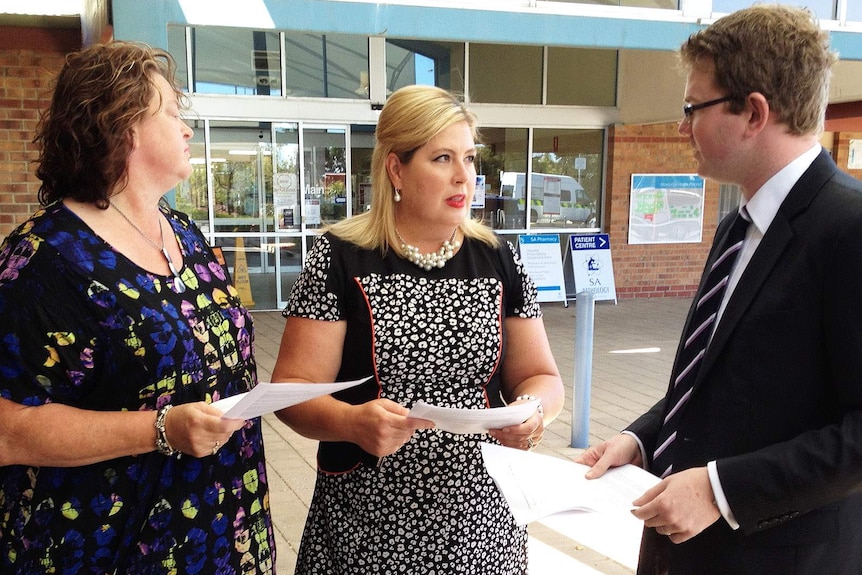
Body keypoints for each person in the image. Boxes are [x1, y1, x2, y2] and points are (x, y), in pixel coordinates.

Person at [576, 5, 862, 575]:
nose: (681, 126)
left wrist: (718, 490)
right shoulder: (737, 226)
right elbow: (713, 384)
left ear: (753, 112)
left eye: (692, 107)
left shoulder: (848, 230)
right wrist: (640, 440)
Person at [0, 42, 275, 573]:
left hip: (220, 535)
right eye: (173, 113)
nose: (188, 128)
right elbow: (8, 428)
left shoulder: (186, 234)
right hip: (104, 547)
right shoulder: (45, 258)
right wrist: (160, 429)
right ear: (121, 124)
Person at [272, 84, 564, 573]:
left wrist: (533, 412)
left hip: (483, 520)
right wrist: (352, 423)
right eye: (442, 158)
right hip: (369, 520)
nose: (463, 177)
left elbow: (541, 377)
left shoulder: (496, 257)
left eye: (469, 159)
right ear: (396, 169)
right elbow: (292, 391)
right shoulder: (341, 256)